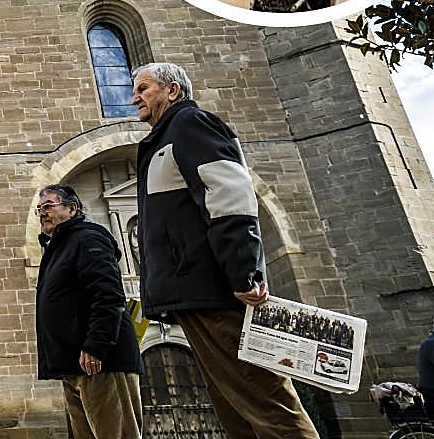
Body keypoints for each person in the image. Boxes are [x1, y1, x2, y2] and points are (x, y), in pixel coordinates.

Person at [132, 62, 319, 439]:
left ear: (172, 91)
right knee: (233, 407)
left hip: (215, 288)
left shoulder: (190, 124)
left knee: (265, 400)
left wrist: (244, 273)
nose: (134, 97)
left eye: (143, 88)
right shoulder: (163, 138)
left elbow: (230, 197)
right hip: (193, 293)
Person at [35, 183, 142, 439]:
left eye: (48, 206)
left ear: (72, 209)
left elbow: (108, 293)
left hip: (100, 362)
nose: (42, 213)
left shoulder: (87, 238)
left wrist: (96, 345)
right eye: (39, 209)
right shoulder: (59, 248)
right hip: (73, 366)